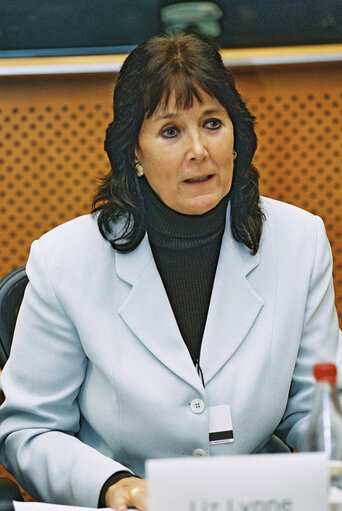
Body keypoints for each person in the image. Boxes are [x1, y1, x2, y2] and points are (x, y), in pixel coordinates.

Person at [0, 31, 340, 511]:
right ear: (134, 153)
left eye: (212, 123)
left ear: (237, 136)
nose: (198, 150)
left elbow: (316, 409)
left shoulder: (300, 241)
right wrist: (113, 485)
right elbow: (29, 430)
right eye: (170, 131)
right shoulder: (65, 260)